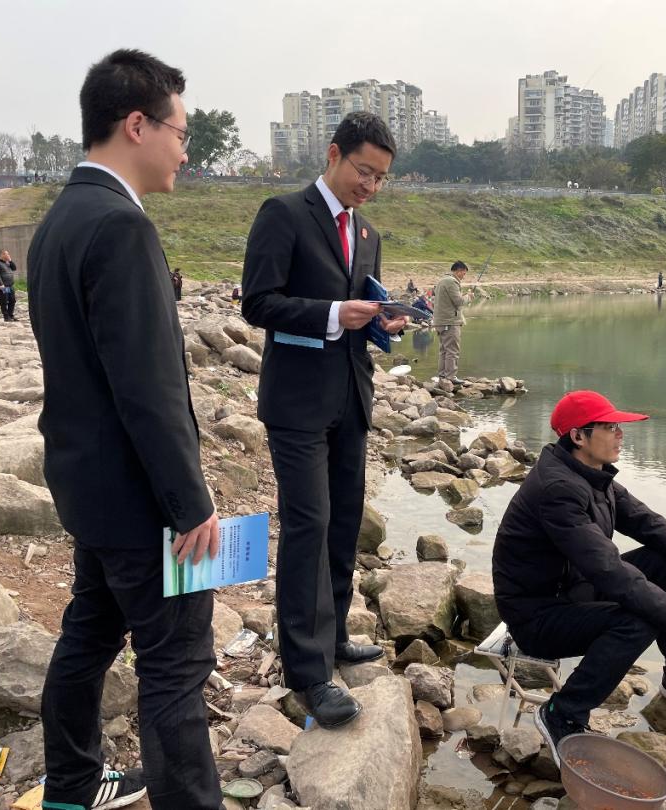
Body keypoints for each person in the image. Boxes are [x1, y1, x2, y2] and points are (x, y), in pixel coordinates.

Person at [27, 49, 222, 810]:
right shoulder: (120, 226)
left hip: (88, 488)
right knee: (175, 662)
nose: (186, 151)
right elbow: (147, 392)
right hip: (141, 501)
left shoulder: (58, 222)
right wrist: (190, 504)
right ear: (137, 125)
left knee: (90, 633)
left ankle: (71, 788)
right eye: (181, 132)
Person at [241, 111, 406, 729]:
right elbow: (259, 302)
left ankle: (332, 635)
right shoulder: (283, 213)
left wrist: (384, 321)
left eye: (381, 177)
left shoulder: (367, 233)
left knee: (342, 520)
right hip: (297, 403)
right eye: (364, 171)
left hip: (351, 396)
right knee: (307, 524)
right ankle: (307, 670)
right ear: (334, 154)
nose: (371, 185)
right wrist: (336, 312)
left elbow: (364, 308)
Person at [492, 390, 666, 764]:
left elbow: (649, 523)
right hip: (537, 616)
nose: (620, 434)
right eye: (610, 428)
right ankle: (563, 712)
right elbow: (611, 573)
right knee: (639, 618)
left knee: (660, 560)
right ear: (578, 436)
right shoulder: (558, 490)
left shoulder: (592, 475)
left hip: (570, 590)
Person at [433, 260, 468, 382]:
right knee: (453, 350)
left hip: (440, 321)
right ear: (458, 271)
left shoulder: (442, 280)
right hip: (450, 321)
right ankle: (451, 376)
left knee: (444, 350)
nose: (464, 276)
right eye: (464, 273)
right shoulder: (452, 282)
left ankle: (443, 375)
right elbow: (459, 302)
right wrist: (469, 297)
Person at [0, 249, 17, 321]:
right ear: (2, 255)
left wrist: (10, 260)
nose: (8, 255)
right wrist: (1, 284)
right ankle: (6, 317)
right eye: (7, 254)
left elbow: (14, 268)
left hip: (10, 285)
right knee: (4, 300)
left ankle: (10, 315)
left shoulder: (7, 262)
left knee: (12, 300)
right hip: (4, 286)